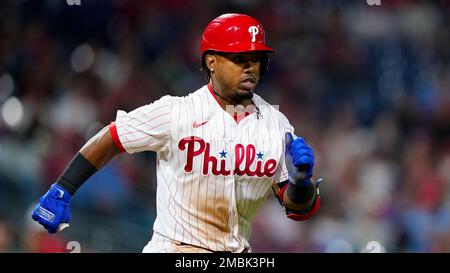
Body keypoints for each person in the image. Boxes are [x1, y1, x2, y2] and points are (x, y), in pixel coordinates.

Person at [31, 13, 322, 253]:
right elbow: (113, 137)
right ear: (212, 61)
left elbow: (299, 209)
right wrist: (63, 188)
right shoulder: (176, 112)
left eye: (256, 59)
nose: (250, 67)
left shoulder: (276, 124)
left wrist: (301, 183)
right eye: (239, 58)